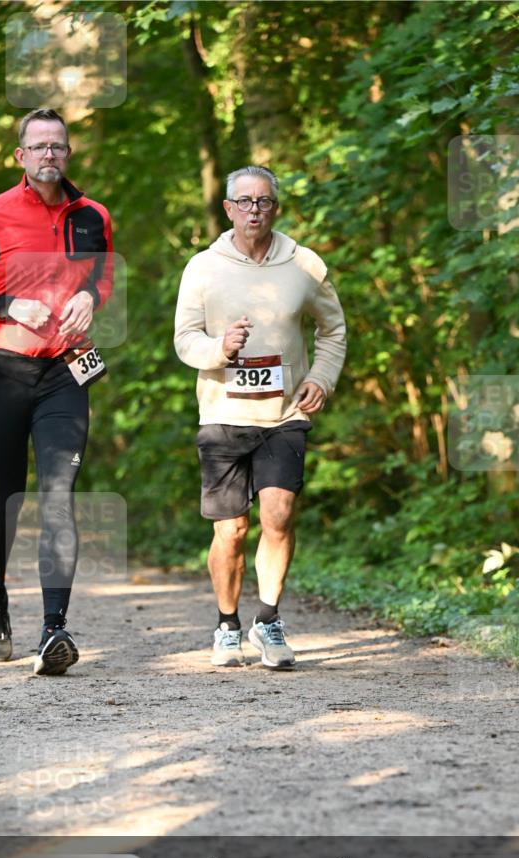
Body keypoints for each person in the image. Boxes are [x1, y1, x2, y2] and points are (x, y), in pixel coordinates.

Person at [174, 165, 346, 670]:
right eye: (245, 202)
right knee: (231, 531)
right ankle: (227, 625)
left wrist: (321, 378)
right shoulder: (203, 268)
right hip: (223, 412)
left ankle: (267, 619)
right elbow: (185, 340)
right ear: (228, 209)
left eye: (264, 201)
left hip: (285, 413)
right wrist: (220, 348)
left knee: (279, 515)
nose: (255, 210)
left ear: (276, 208)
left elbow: (333, 330)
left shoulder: (304, 265)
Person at [0, 108, 114, 675]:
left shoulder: (93, 216)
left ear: (68, 153)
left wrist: (92, 298)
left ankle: (54, 629)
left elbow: (102, 276)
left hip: (64, 372)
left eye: (57, 145)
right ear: (21, 156)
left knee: (60, 493)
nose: (49, 154)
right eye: (38, 147)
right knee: (8, 495)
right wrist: (5, 305)